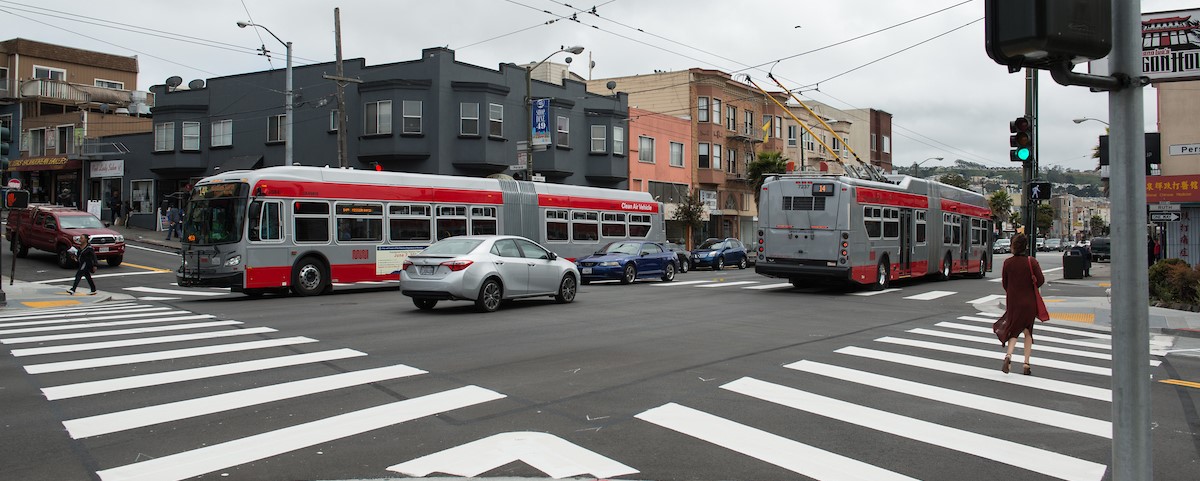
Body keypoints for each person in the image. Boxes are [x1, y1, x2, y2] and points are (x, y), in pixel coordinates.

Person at [1000, 233, 1044, 376]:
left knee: (1014, 330)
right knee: (1028, 331)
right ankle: (1026, 363)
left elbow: (1004, 283)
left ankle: (1009, 355)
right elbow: (1041, 280)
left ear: (1013, 246)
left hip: (1014, 301)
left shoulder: (1007, 263)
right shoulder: (1032, 262)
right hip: (1029, 301)